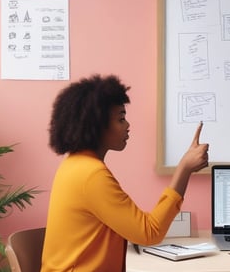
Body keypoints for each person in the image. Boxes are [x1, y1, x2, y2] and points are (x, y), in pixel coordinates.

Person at [41, 74, 209, 271]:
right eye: (121, 118)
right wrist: (184, 169)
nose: (128, 125)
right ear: (96, 126)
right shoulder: (91, 175)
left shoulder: (74, 165)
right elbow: (149, 233)